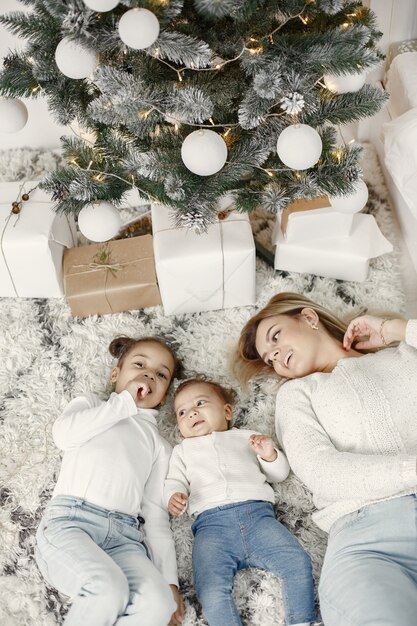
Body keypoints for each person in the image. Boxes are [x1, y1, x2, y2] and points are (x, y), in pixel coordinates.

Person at [235, 291, 417, 626]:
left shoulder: (405, 355)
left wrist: (396, 330)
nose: (275, 355)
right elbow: (321, 469)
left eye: (275, 337)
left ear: (308, 317)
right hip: (369, 545)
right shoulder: (297, 394)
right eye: (269, 357)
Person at [34, 335, 185, 626]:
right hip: (71, 524)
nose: (148, 374)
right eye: (139, 364)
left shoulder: (158, 445)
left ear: (164, 396)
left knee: (159, 605)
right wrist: (123, 403)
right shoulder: (91, 405)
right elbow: (63, 436)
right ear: (115, 374)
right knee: (107, 587)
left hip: (124, 538)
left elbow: (155, 517)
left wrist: (170, 582)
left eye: (161, 374)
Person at [164, 376, 317, 626]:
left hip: (258, 518)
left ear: (227, 412)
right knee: (210, 588)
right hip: (212, 529)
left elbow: (279, 474)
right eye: (182, 412)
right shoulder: (183, 451)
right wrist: (174, 496)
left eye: (200, 403)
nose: (192, 413)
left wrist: (269, 454)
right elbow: (173, 480)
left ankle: (302, 620)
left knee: (296, 562)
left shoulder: (247, 438)